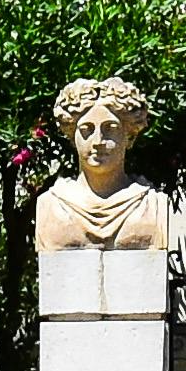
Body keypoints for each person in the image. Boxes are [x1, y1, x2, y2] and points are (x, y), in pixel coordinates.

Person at [35, 76, 175, 252]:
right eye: (87, 130)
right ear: (72, 137)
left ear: (130, 136)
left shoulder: (152, 205)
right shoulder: (51, 205)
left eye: (110, 128)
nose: (98, 141)